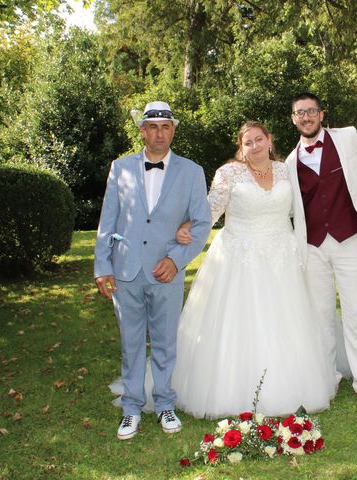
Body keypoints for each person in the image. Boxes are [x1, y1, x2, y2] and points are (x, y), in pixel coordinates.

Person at [170, 121, 337, 419]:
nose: (255, 146)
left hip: (283, 256)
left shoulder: (286, 170)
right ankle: (234, 389)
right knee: (240, 323)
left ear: (270, 140)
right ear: (241, 147)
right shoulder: (228, 173)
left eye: (259, 139)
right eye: (249, 142)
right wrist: (188, 226)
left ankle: (293, 385)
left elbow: (300, 208)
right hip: (240, 257)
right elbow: (211, 209)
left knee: (288, 321)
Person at [94, 101, 212, 440]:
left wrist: (176, 258)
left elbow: (202, 222)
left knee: (164, 341)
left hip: (166, 273)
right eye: (152, 127)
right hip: (126, 270)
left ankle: (164, 404)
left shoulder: (191, 171)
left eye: (165, 126)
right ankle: (131, 407)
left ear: (173, 130)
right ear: (142, 131)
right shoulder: (121, 168)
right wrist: (103, 266)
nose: (159, 133)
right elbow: (109, 219)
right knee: (131, 343)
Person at [285, 92, 357, 411]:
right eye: (300, 113)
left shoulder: (348, 138)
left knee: (355, 312)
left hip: (349, 238)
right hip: (312, 247)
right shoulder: (289, 162)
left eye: (311, 111)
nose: (306, 117)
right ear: (293, 119)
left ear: (322, 115)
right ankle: (327, 379)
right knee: (321, 316)